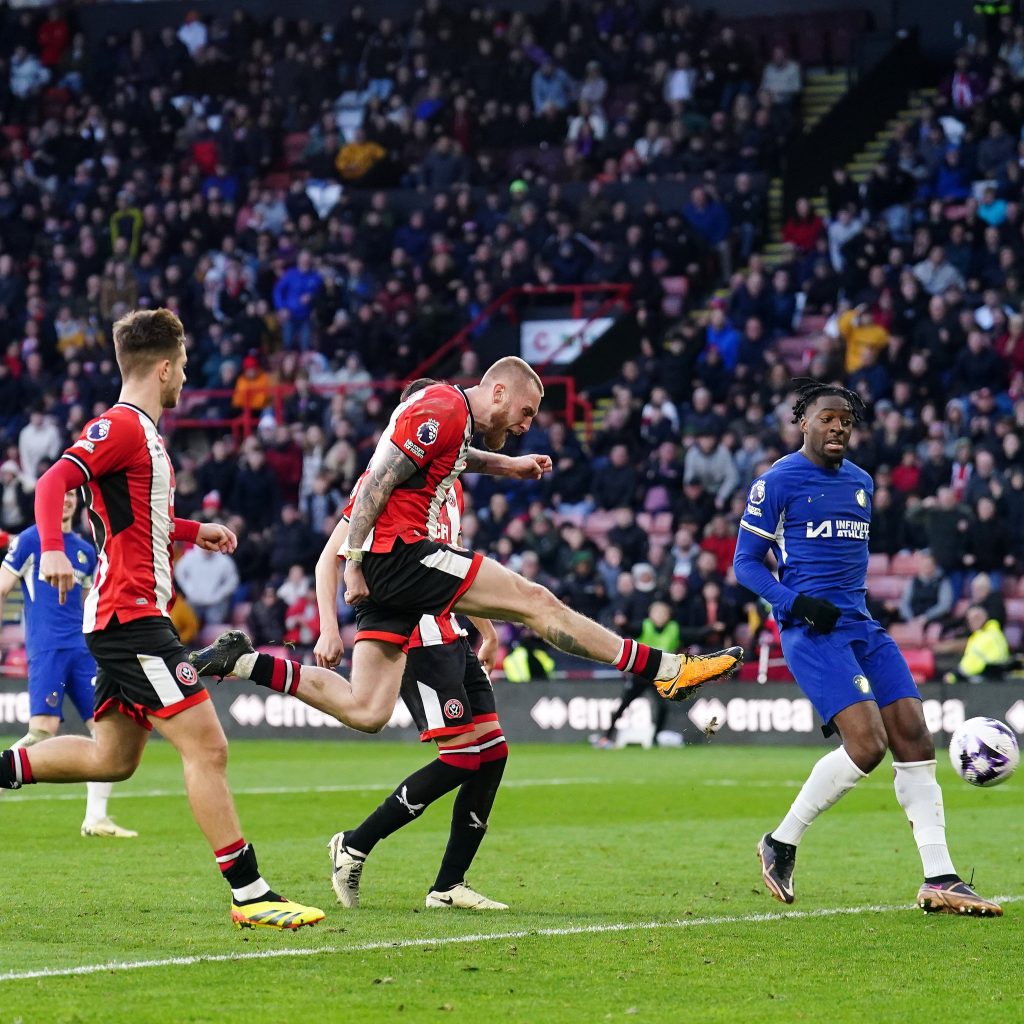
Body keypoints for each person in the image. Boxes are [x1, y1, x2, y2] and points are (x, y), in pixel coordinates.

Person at [191, 357, 742, 737]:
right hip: (402, 554)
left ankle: (246, 662)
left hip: (390, 573)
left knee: (367, 710)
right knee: (537, 602)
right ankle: (666, 669)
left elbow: (447, 461)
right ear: (497, 391)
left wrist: (507, 465)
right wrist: (355, 563)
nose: (527, 425)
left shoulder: (448, 423)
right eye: (525, 413)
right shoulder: (446, 408)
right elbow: (378, 482)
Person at [0, 309, 322, 931]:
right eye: (183, 367)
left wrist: (192, 530)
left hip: (122, 616)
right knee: (208, 746)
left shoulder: (144, 435)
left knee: (112, 759)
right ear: (166, 367)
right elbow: (51, 483)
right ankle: (251, 893)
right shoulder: (121, 427)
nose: (185, 379)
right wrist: (55, 547)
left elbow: (132, 519)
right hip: (131, 619)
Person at [733, 379, 1001, 917]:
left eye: (847, 421)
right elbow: (745, 564)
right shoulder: (776, 482)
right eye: (827, 418)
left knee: (914, 735)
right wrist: (797, 604)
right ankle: (781, 842)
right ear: (803, 422)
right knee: (868, 745)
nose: (838, 427)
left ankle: (940, 877)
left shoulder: (861, 483)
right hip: (810, 630)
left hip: (862, 625)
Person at [317, 388, 509, 910]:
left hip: (451, 631)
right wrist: (328, 627)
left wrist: (486, 630)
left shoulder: (449, 485)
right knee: (463, 756)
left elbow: (452, 568)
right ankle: (355, 844)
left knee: (492, 753)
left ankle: (448, 885)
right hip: (415, 633)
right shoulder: (387, 483)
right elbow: (329, 557)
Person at [0, 490, 137, 838]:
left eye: (72, 495)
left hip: (83, 650)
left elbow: (94, 601)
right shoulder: (31, 540)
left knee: (106, 730)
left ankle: (96, 818)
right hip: (47, 648)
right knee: (43, 731)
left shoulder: (85, 550)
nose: (66, 501)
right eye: (59, 495)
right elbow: (2, 587)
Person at [593, 600, 682, 749]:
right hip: (640, 675)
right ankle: (606, 737)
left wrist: (709, 629)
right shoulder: (644, 626)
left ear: (668, 616)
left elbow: (693, 633)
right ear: (651, 615)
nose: (660, 617)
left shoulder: (673, 629)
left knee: (663, 707)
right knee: (623, 706)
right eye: (657, 613)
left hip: (657, 677)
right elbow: (631, 629)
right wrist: (623, 624)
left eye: (663, 614)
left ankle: (655, 738)